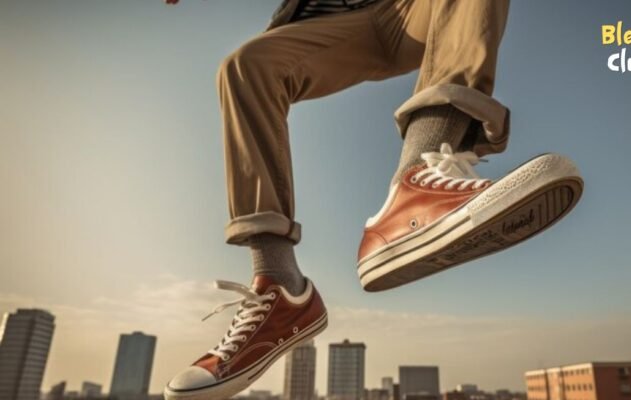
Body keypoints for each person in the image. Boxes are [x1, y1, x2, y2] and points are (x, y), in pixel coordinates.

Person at [162, 1, 583, 399]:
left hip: (410, 12)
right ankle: (281, 288)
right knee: (245, 67)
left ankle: (417, 183)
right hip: (336, 29)